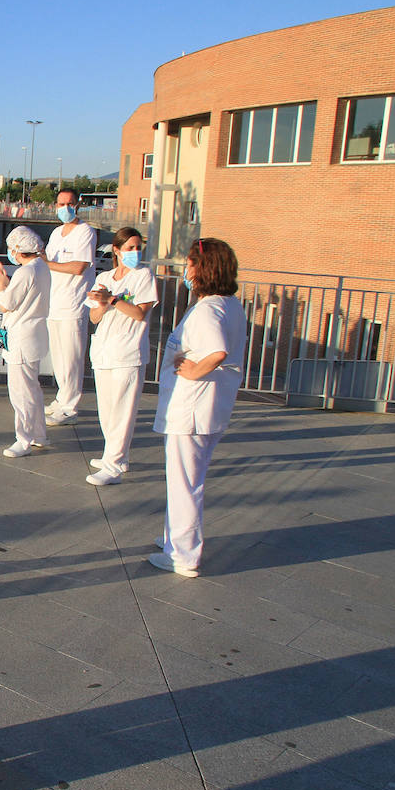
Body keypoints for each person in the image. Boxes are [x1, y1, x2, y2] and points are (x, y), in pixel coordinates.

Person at [150, 238, 246, 577]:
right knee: (188, 481)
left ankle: (183, 556)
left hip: (192, 410)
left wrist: (192, 369)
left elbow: (216, 351)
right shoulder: (228, 304)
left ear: (203, 268)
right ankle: (172, 540)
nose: (185, 271)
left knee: (184, 484)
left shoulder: (208, 309)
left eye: (190, 264)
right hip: (210, 408)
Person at [85, 227, 158, 486]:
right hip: (104, 350)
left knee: (122, 411)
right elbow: (93, 317)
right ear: (116, 250)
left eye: (138, 247)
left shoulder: (143, 276)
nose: (135, 252)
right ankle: (116, 455)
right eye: (130, 248)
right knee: (106, 411)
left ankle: (113, 466)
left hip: (129, 352)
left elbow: (139, 313)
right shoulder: (105, 276)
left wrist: (113, 300)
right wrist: (102, 305)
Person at [0, 226, 51, 458]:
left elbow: (7, 303)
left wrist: (0, 283)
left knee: (21, 392)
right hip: (33, 335)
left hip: (21, 338)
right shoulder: (42, 268)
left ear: (17, 249)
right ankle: (39, 433)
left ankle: (23, 439)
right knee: (32, 388)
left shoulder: (27, 272)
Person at [44, 187, 97, 426]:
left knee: (72, 357)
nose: (64, 208)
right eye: (60, 204)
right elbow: (47, 263)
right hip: (54, 304)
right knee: (58, 356)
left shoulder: (85, 232)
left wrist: (48, 264)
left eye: (69, 203)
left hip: (74, 304)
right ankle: (61, 398)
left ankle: (70, 405)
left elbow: (78, 267)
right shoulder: (56, 233)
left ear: (77, 205)